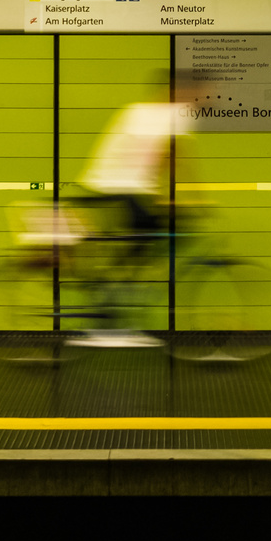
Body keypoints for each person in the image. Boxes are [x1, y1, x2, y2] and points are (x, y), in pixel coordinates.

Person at [65, 75, 192, 347]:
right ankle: (106, 321)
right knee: (146, 241)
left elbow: (162, 157)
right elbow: (173, 158)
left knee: (137, 247)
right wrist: (188, 199)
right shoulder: (170, 114)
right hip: (119, 188)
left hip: (115, 187)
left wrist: (164, 196)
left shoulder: (139, 110)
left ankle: (110, 310)